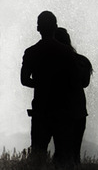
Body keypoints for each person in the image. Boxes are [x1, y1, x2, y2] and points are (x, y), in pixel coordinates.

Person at [20, 11, 74, 166]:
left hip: (40, 108)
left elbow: (24, 80)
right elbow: (73, 81)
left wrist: (42, 84)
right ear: (55, 27)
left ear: (38, 28)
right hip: (62, 109)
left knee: (38, 153)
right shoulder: (66, 51)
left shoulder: (31, 52)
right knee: (63, 155)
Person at [54, 27, 93, 168]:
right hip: (78, 109)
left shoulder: (52, 62)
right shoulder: (82, 61)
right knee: (75, 151)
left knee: (59, 151)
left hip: (58, 109)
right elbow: (85, 83)